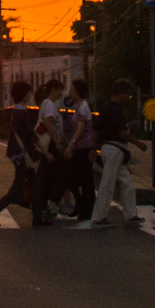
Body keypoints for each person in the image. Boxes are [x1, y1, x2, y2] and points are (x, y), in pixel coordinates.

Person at [81, 77, 143, 228]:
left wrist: (92, 149)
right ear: (120, 93)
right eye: (128, 95)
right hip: (114, 148)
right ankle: (99, 217)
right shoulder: (112, 110)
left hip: (112, 149)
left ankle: (130, 214)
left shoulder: (106, 108)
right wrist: (138, 143)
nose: (129, 98)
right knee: (108, 184)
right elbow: (120, 132)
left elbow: (96, 131)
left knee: (126, 182)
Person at [0, 80, 43, 226]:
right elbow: (30, 134)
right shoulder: (22, 112)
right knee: (17, 188)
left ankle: (38, 217)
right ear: (24, 94)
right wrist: (44, 150)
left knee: (34, 185)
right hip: (22, 155)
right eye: (28, 92)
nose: (30, 95)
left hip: (20, 153)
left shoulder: (17, 111)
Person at [32, 78, 70, 218]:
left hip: (50, 144)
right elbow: (49, 124)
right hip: (51, 144)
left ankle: (44, 204)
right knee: (61, 172)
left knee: (47, 174)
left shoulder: (48, 104)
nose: (62, 93)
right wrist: (57, 142)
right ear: (54, 90)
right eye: (61, 89)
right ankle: (52, 201)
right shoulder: (49, 105)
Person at [67, 77, 97, 219]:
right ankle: (80, 206)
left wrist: (71, 144)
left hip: (84, 148)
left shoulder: (83, 107)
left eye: (72, 89)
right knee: (73, 179)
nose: (69, 92)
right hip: (79, 148)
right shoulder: (78, 106)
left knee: (84, 180)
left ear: (77, 91)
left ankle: (87, 209)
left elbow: (80, 128)